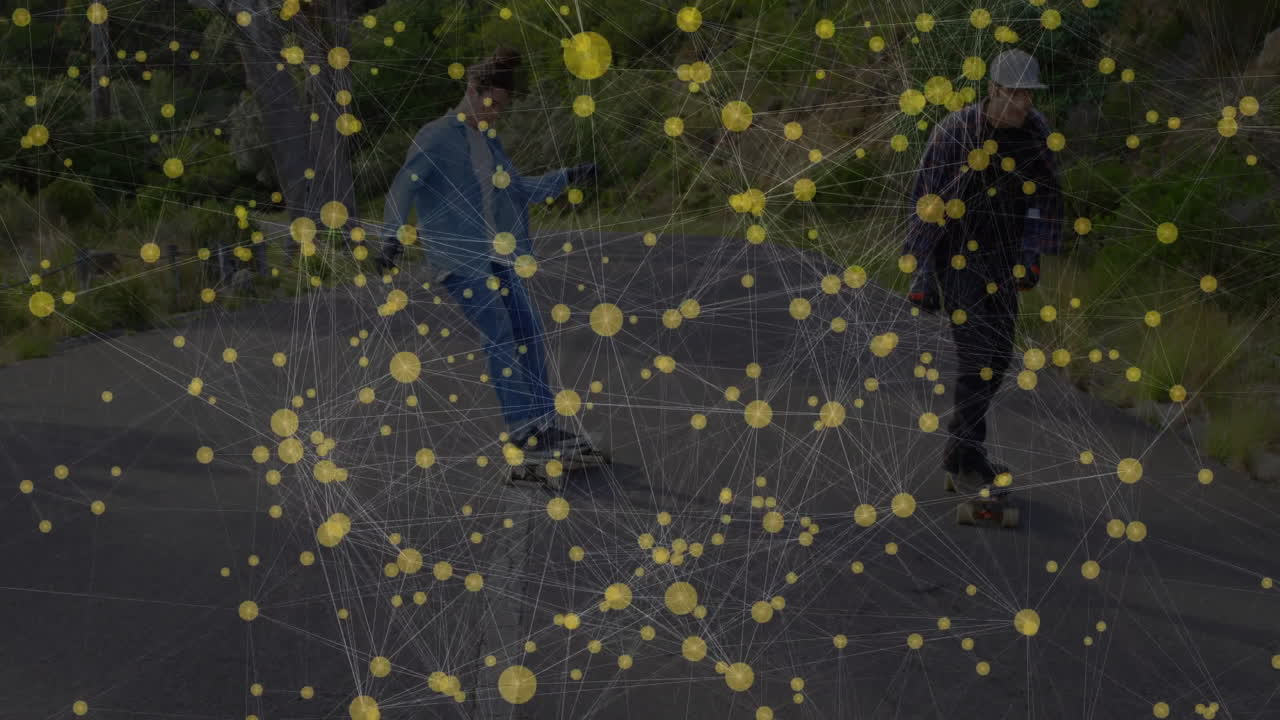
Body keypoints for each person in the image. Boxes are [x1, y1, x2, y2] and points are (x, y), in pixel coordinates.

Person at [379, 47, 600, 458]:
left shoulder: (488, 144)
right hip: (459, 261)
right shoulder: (437, 135)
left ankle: (544, 424)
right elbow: (404, 185)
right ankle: (522, 429)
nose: (493, 112)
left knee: (528, 333)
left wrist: (566, 177)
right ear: (471, 89)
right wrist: (390, 235)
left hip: (497, 256)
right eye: (489, 103)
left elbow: (516, 188)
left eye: (501, 107)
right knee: (500, 334)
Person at [903, 49, 1064, 485]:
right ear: (994, 90)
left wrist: (1031, 257)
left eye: (1029, 95)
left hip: (1004, 255)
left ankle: (961, 449)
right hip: (957, 253)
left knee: (999, 356)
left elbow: (1046, 198)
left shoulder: (1036, 132)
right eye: (1015, 94)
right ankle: (969, 459)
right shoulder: (956, 131)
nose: (1024, 103)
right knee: (976, 357)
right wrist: (921, 274)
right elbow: (926, 202)